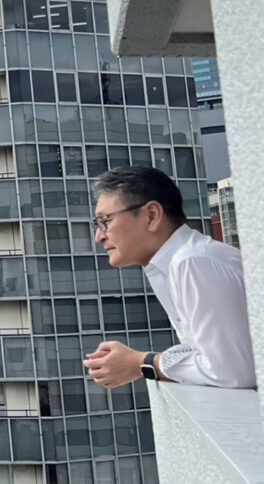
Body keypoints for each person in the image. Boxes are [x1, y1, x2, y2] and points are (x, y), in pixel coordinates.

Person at [83, 166, 255, 389]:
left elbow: (231, 372)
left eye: (105, 221)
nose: (99, 237)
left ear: (151, 215)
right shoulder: (178, 263)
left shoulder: (193, 262)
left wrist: (142, 363)